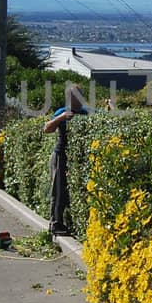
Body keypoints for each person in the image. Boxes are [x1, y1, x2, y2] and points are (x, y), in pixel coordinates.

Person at [41, 86, 91, 235]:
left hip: (77, 158)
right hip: (60, 155)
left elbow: (102, 117)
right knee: (58, 190)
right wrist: (61, 117)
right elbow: (47, 129)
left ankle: (70, 221)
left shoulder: (84, 112)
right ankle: (55, 223)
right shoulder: (62, 112)